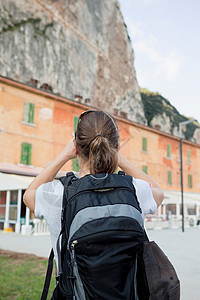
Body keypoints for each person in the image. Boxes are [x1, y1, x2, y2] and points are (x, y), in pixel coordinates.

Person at [23, 110, 164, 296]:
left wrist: (63, 156)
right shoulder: (134, 189)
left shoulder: (60, 193)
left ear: (76, 146)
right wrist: (119, 158)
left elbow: (29, 195)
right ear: (116, 146)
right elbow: (159, 193)